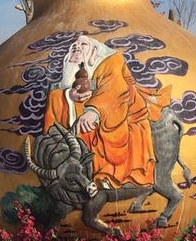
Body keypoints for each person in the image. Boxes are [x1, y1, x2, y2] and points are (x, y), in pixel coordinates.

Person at [42, 34, 169, 188]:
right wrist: (68, 94)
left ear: (94, 50)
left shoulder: (111, 60)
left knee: (89, 127)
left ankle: (105, 173)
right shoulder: (72, 67)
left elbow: (116, 89)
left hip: (123, 107)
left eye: (83, 45)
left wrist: (94, 111)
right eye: (74, 47)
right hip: (96, 104)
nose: (77, 48)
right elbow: (60, 90)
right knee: (59, 99)